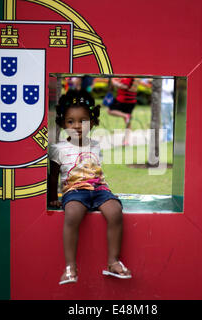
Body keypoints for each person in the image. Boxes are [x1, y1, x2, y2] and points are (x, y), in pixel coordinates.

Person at [48, 89, 132, 285]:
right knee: (72, 214)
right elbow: (53, 177)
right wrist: (53, 196)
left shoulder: (95, 144)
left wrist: (106, 194)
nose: (77, 126)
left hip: (100, 190)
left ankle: (113, 261)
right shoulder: (58, 149)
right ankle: (70, 267)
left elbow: (96, 172)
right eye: (71, 121)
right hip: (75, 191)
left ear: (92, 122)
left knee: (115, 211)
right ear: (62, 123)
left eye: (83, 121)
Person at [107, 78, 139, 145]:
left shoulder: (129, 75)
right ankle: (126, 141)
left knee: (110, 110)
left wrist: (115, 83)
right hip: (129, 100)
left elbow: (125, 86)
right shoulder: (123, 75)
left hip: (124, 100)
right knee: (128, 122)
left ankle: (126, 141)